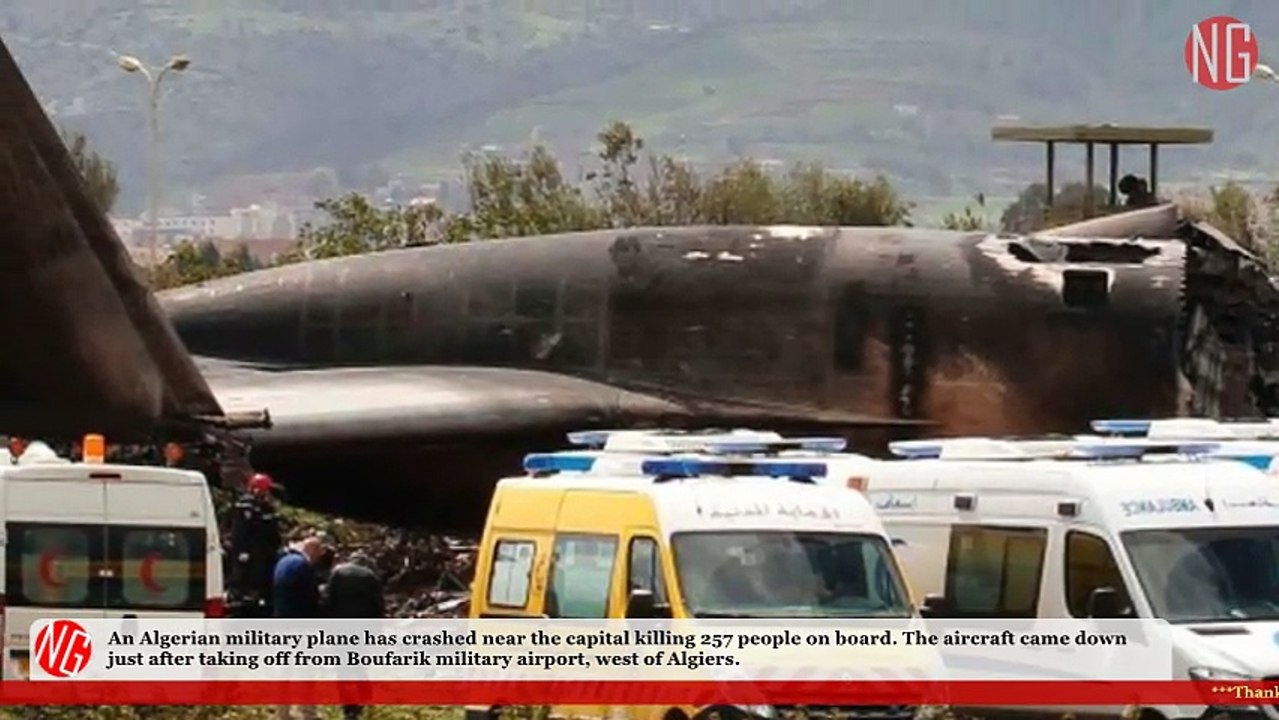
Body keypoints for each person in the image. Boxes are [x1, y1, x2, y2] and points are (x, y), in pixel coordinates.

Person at [323, 550, 385, 720]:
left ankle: (348, 708)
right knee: (359, 666)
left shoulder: (337, 573)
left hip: (340, 629)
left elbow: (328, 601)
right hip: (362, 629)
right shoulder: (371, 577)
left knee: (342, 669)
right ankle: (365, 699)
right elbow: (378, 607)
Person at [272, 535, 325, 720]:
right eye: (317, 554)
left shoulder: (282, 562)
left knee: (284, 672)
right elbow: (311, 597)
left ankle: (282, 713)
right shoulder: (303, 566)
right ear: (312, 550)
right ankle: (308, 713)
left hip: (281, 623)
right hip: (300, 626)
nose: (317, 560)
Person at [227, 473, 283, 617]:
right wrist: (243, 552)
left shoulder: (265, 509)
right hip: (252, 558)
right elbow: (241, 533)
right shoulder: (246, 508)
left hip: (264, 557)